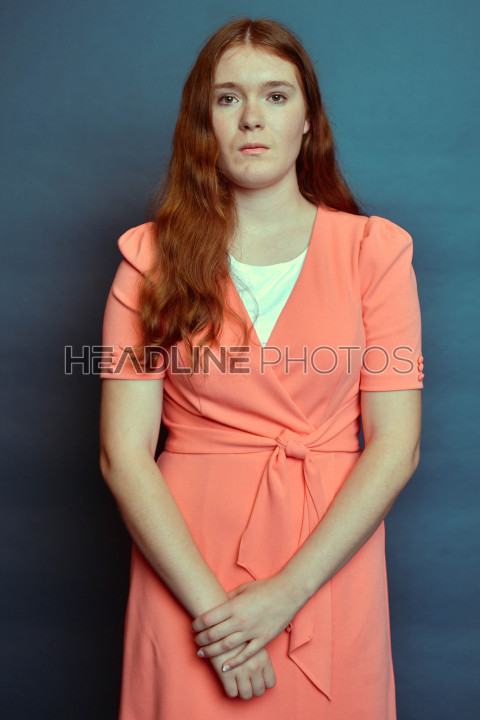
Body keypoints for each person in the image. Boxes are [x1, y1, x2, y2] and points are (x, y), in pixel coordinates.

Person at [99, 16, 424, 720]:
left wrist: (285, 595)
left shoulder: (376, 253)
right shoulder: (148, 258)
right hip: (188, 569)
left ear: (308, 119)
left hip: (327, 565)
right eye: (228, 98)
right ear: (203, 122)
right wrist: (218, 622)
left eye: (276, 96)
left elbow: (396, 446)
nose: (252, 117)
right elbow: (123, 454)